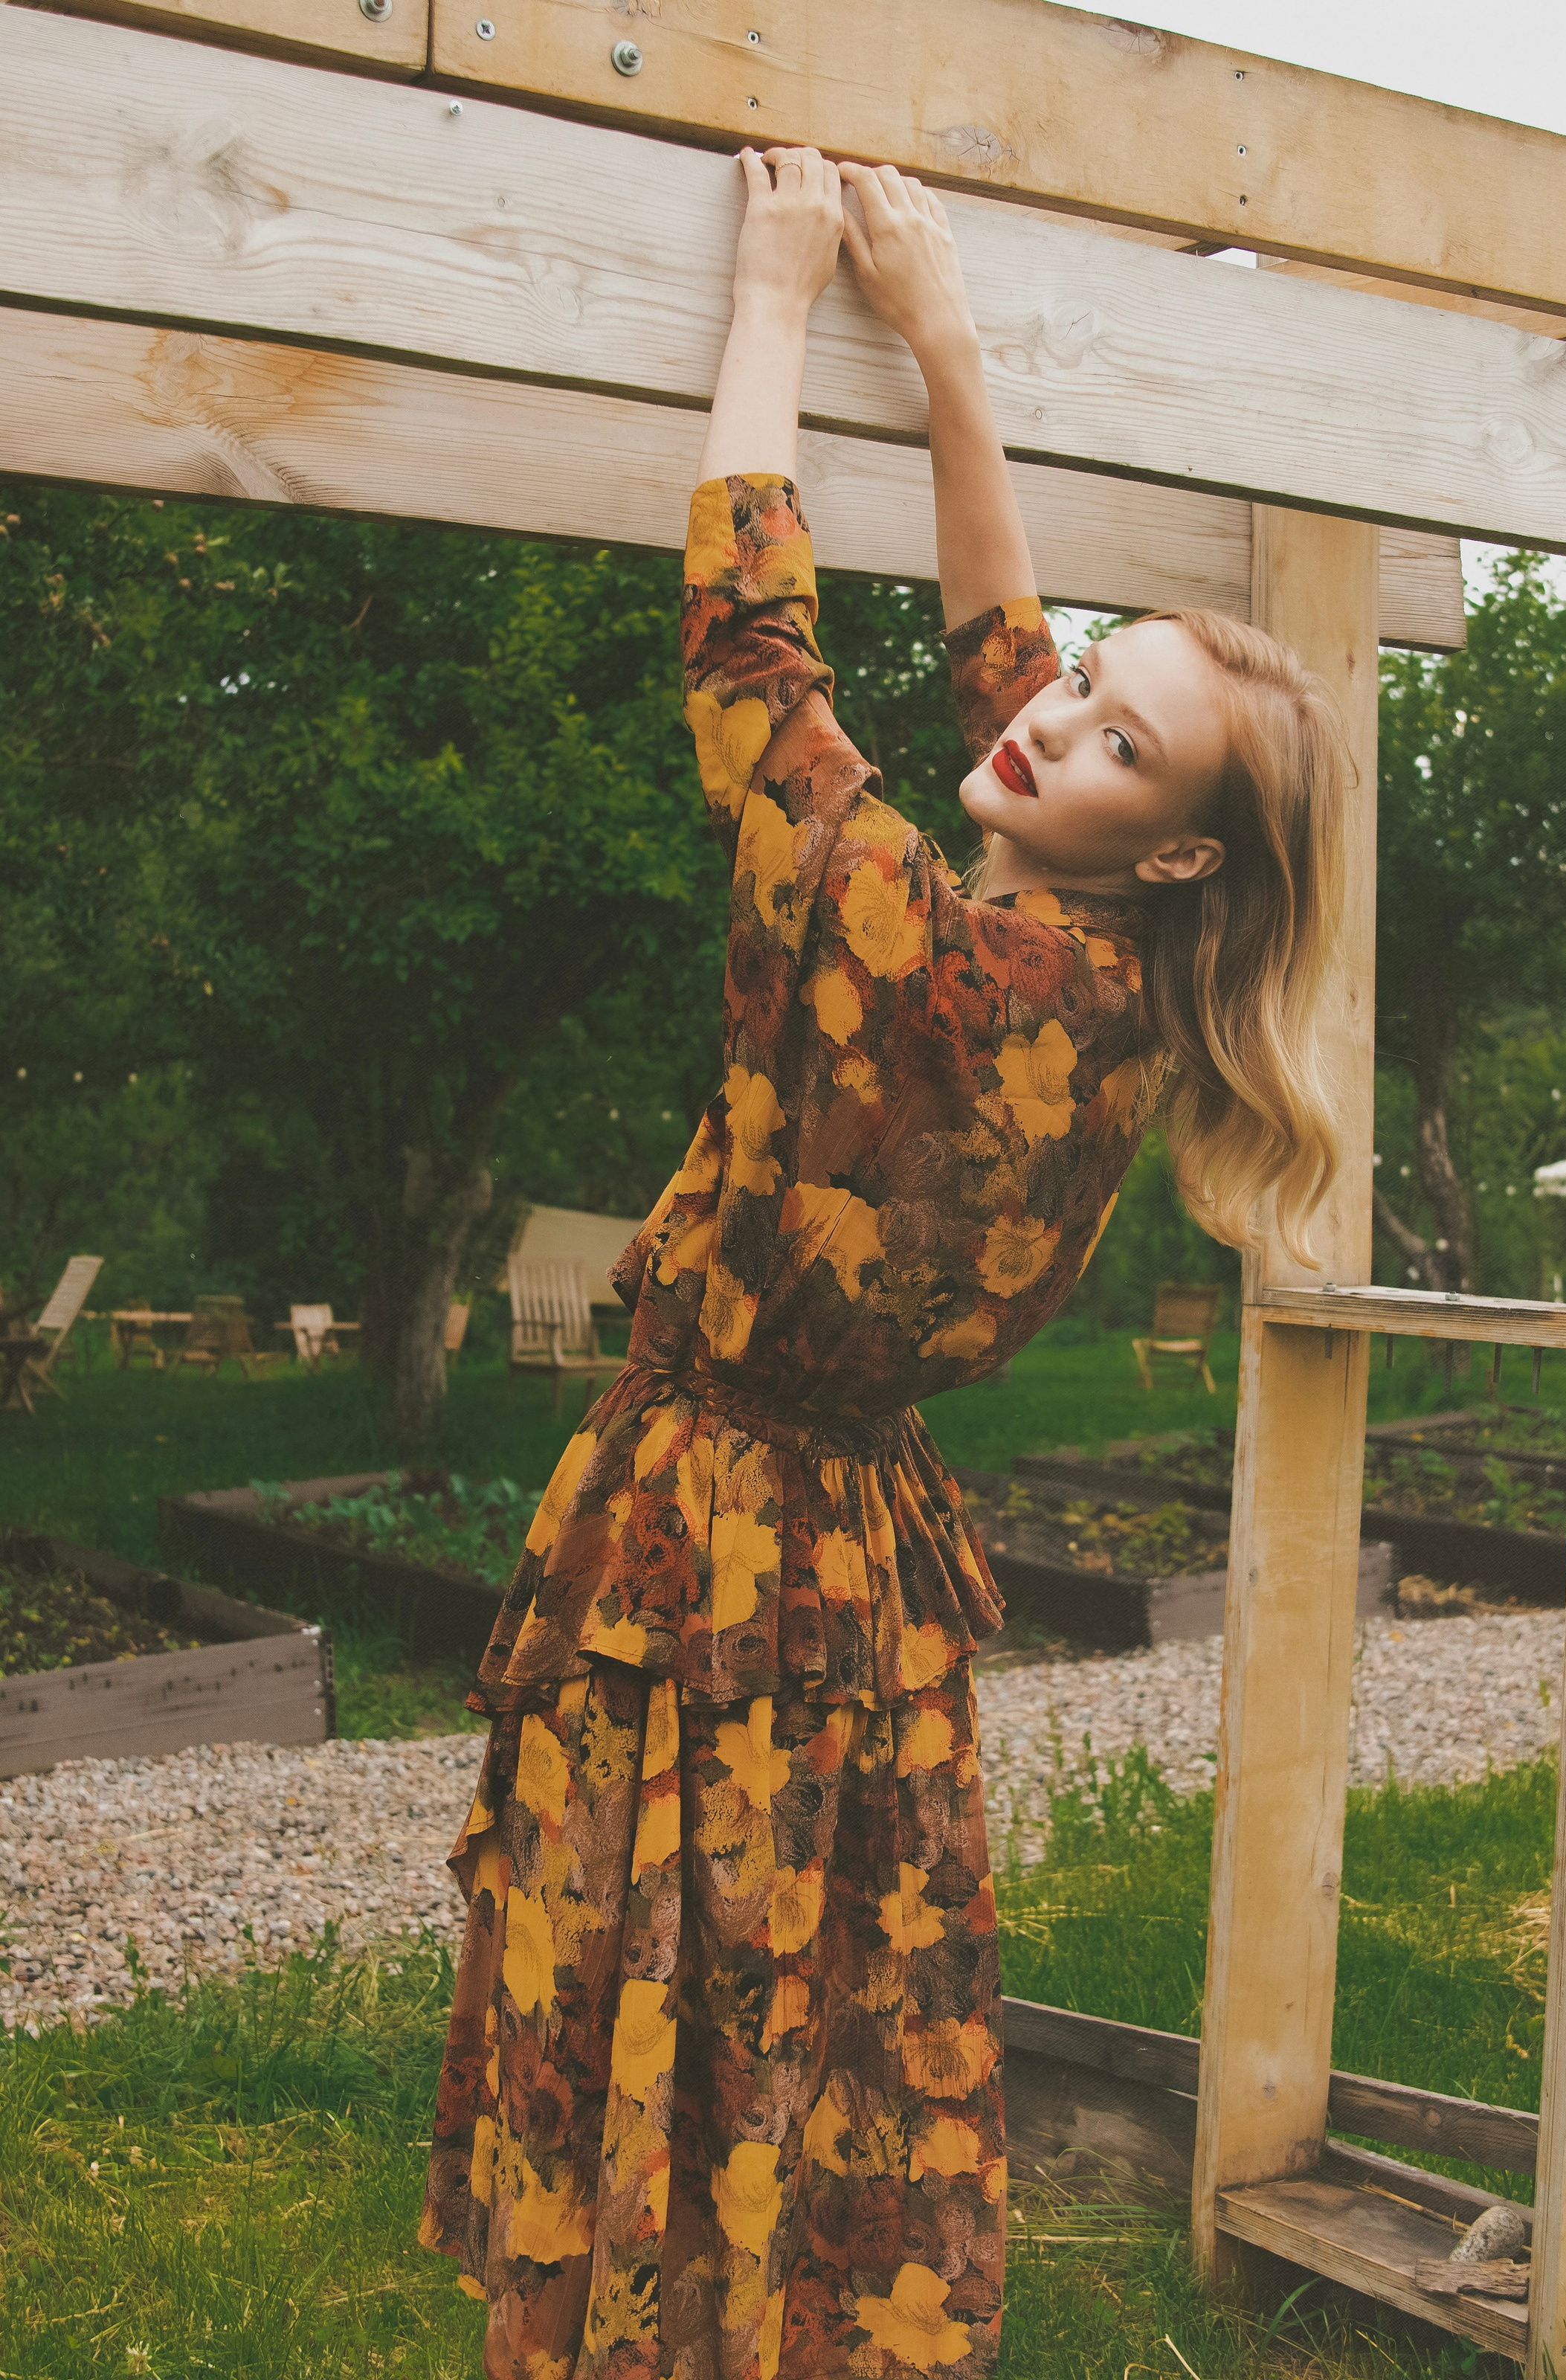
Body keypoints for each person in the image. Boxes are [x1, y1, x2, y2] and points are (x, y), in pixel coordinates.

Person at [420, 146, 1349, 2380]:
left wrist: (774, 297)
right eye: (1093, 683)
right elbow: (1009, 675)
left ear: (1178, 847)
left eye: (1120, 738)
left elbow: (755, 663)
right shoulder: (1122, 994)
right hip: (859, 1557)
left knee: (664, 1965)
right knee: (813, 2002)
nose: (1050, 720)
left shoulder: (929, 950)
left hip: (712, 1529)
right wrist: (942, 345)